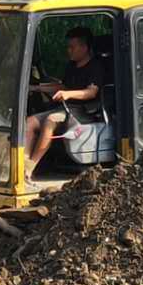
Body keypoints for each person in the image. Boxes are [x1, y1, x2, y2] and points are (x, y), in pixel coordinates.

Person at [23, 26, 108, 181]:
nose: (68, 50)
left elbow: (91, 92)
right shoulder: (71, 66)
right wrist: (36, 88)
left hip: (82, 111)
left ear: (84, 47)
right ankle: (23, 164)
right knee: (30, 122)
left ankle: (30, 168)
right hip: (64, 108)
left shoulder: (96, 67)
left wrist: (68, 94)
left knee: (50, 120)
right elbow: (63, 86)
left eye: (72, 47)